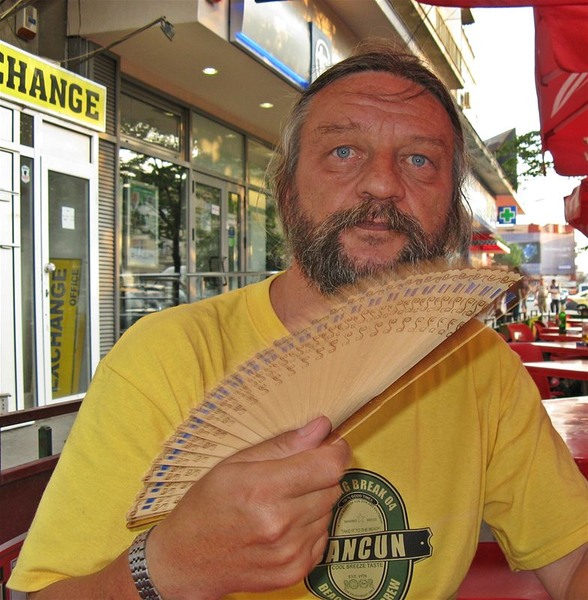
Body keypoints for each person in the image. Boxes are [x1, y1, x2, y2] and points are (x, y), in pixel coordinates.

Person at [9, 42, 587, 600]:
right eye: (344, 151)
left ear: (453, 212)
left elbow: (573, 559)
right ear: (286, 190)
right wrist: (169, 567)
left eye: (419, 160)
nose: (383, 183)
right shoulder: (167, 355)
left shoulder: (479, 365)